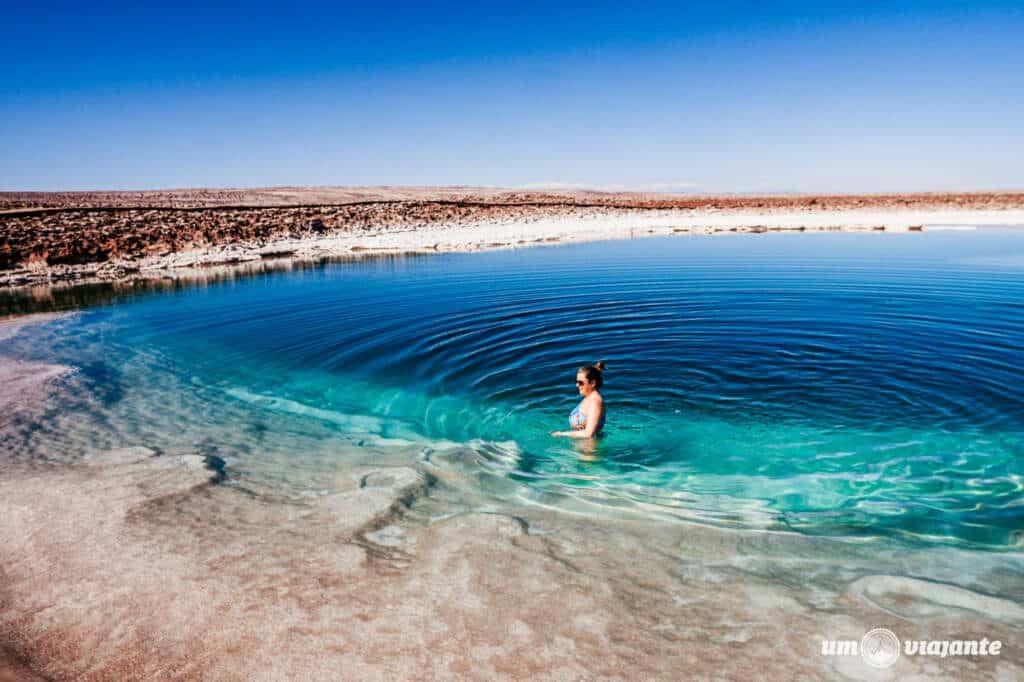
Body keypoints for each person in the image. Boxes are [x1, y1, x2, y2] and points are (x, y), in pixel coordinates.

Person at [552, 361, 606, 439]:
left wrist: (561, 434)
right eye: (576, 381)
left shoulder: (596, 402)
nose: (577, 385)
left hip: (589, 449)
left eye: (580, 382)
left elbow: (588, 434)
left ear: (593, 383)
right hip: (582, 447)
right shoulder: (589, 398)